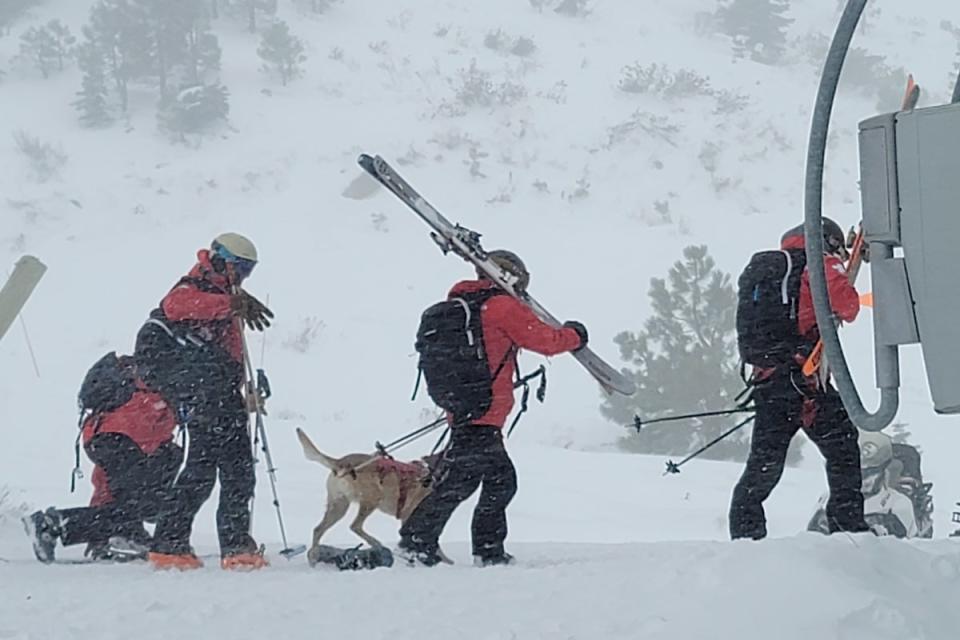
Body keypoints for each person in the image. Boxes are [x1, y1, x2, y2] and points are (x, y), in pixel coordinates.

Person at [398, 250, 588, 567]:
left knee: (463, 481)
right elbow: (546, 340)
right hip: (484, 412)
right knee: (500, 480)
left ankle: (423, 542)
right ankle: (476, 550)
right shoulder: (501, 307)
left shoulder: (466, 306)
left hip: (464, 409)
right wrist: (576, 334)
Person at [135, 233, 273, 570]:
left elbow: (230, 352)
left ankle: (172, 544)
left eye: (248, 271)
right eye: (239, 268)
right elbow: (175, 306)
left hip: (212, 391)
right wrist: (231, 304)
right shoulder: (195, 286)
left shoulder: (224, 295)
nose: (242, 276)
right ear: (220, 260)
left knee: (210, 468)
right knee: (228, 468)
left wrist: (242, 390)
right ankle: (232, 546)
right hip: (203, 391)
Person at [729, 219, 869, 540]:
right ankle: (848, 526)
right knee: (843, 446)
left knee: (765, 463)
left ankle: (746, 536)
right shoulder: (817, 264)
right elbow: (846, 305)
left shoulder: (773, 270)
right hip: (802, 381)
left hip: (770, 380)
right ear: (828, 242)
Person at [23, 355, 182, 563]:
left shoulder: (141, 380)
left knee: (128, 497)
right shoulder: (168, 383)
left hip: (103, 434)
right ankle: (54, 524)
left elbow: (106, 486)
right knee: (145, 501)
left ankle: (116, 535)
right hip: (127, 436)